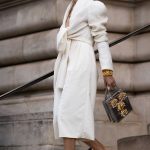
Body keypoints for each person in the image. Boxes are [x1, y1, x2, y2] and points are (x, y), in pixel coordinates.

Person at [53, 0, 116, 150]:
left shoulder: (92, 6)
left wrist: (107, 72)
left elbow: (101, 39)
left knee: (69, 120)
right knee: (66, 120)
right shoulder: (70, 7)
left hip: (81, 63)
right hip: (65, 64)